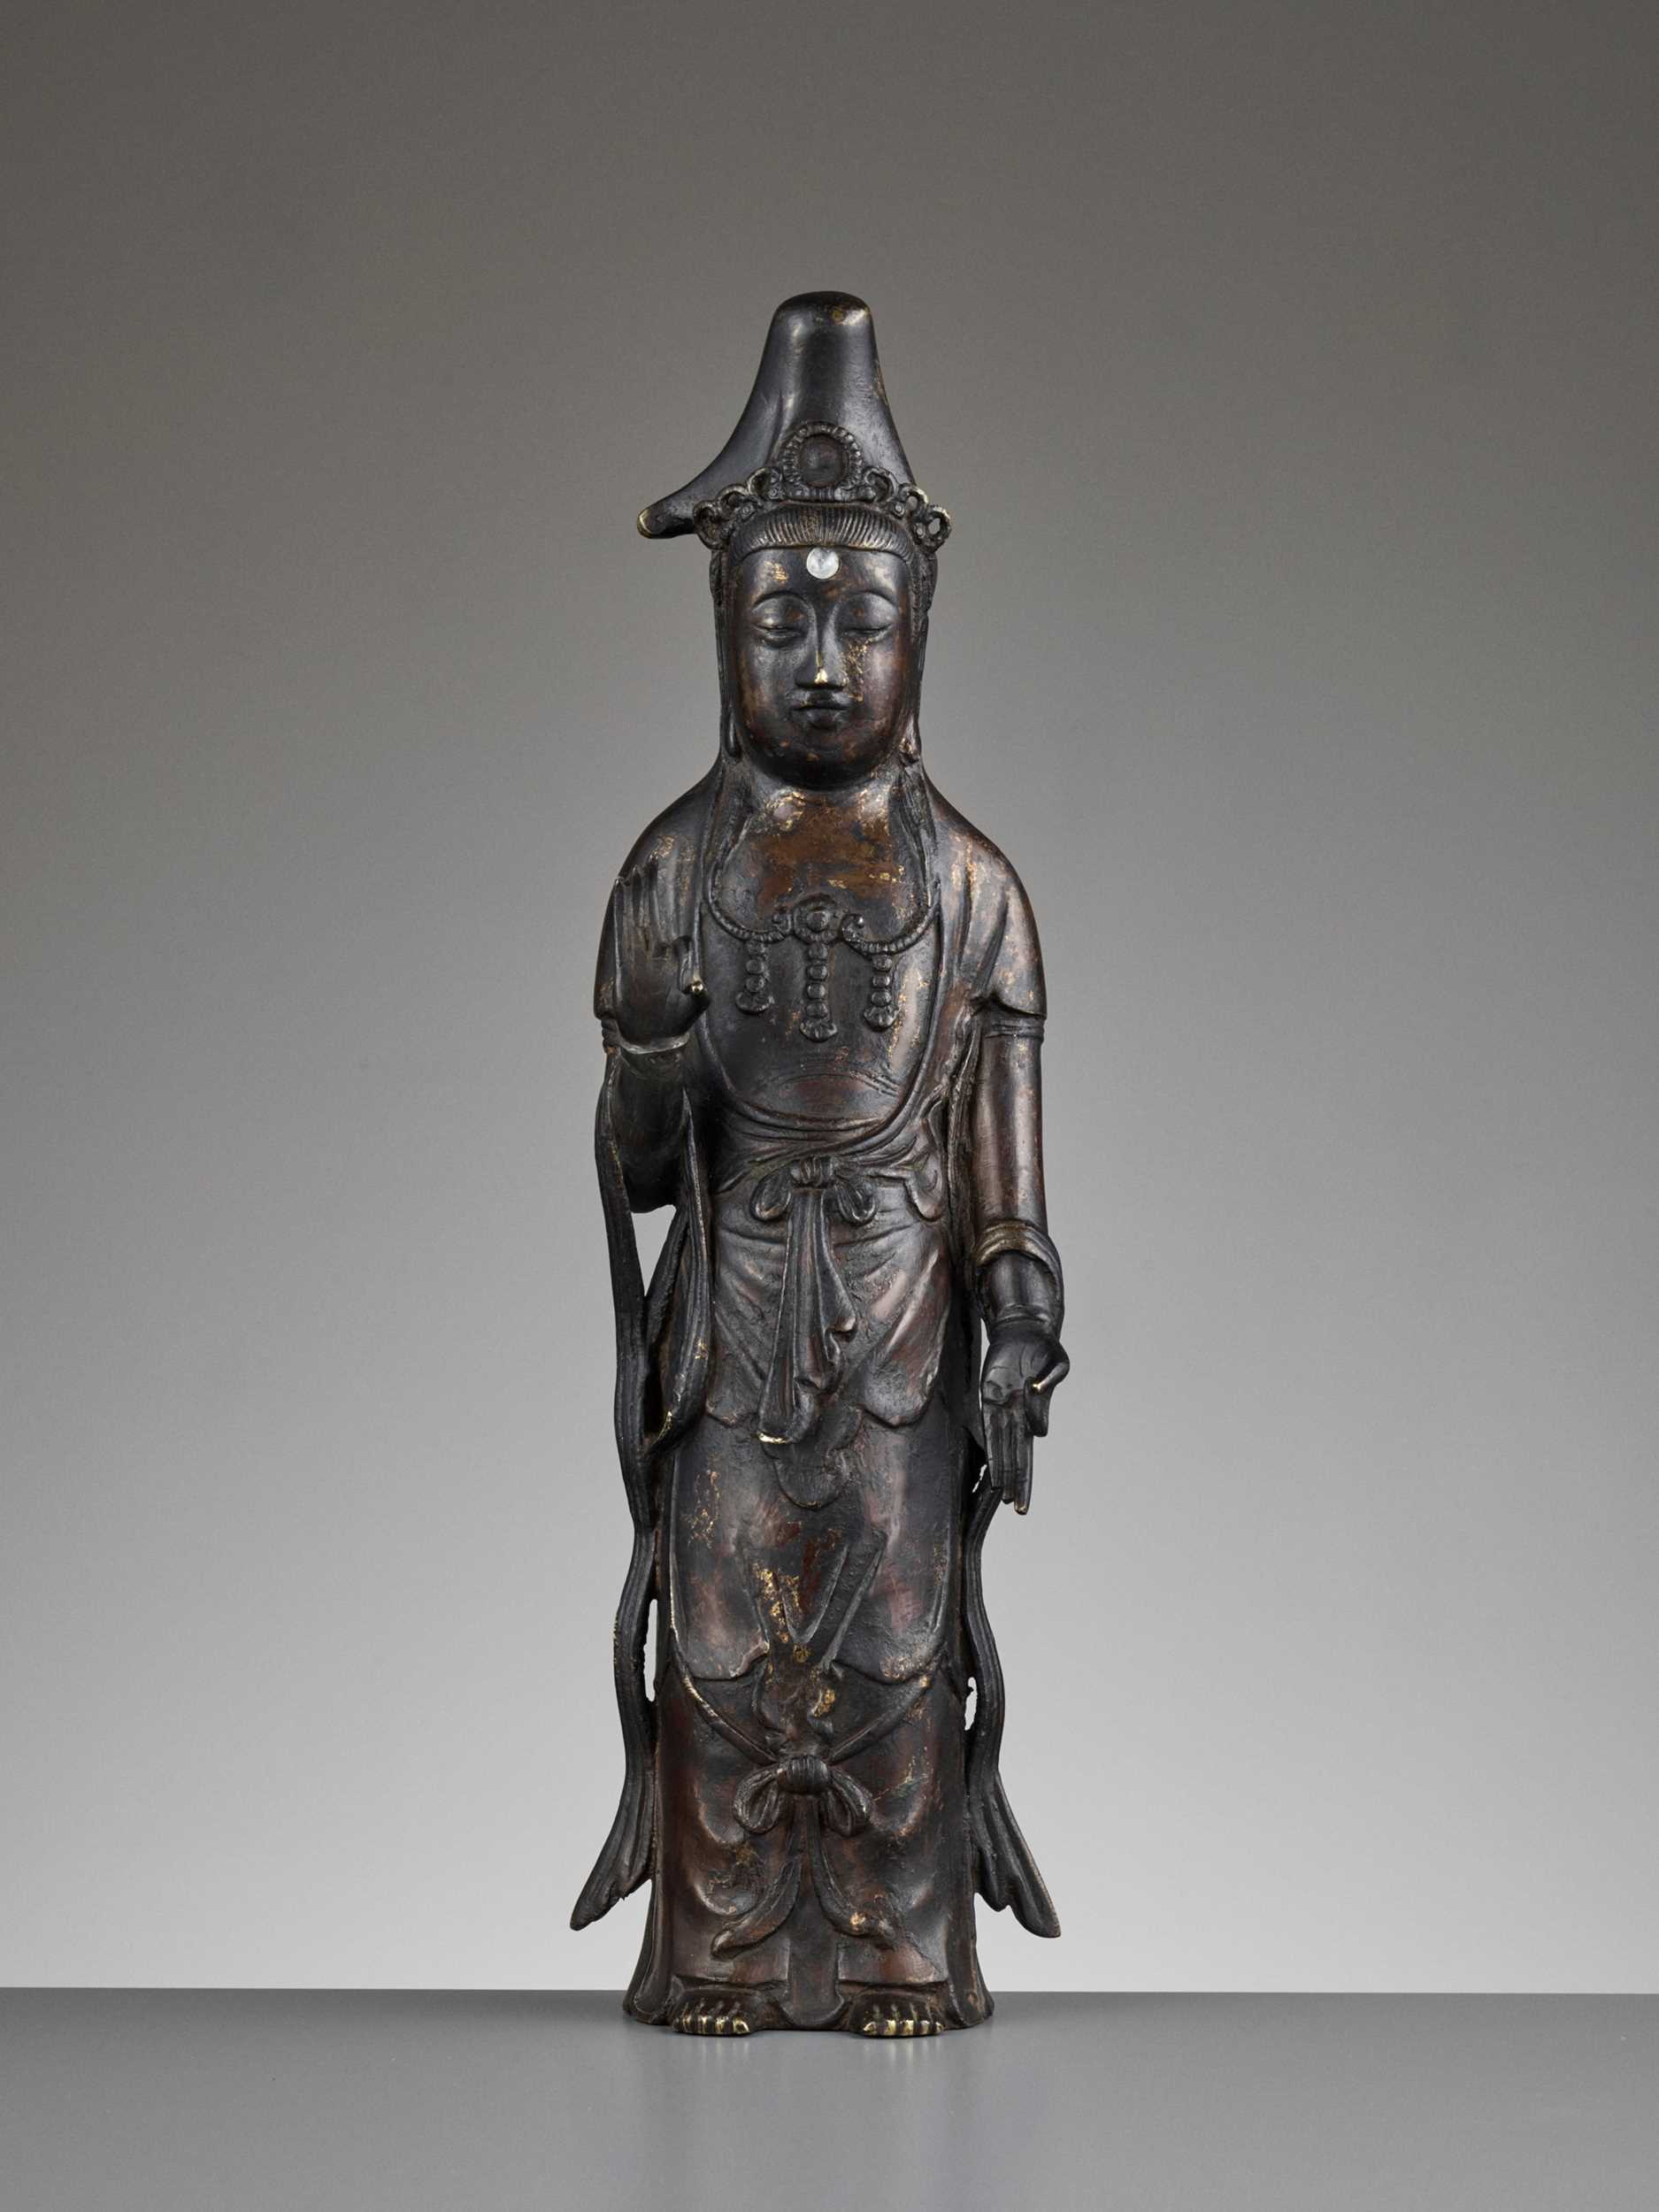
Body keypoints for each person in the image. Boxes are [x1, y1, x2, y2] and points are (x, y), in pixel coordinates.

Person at [572, 296, 1069, 2036]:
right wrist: (649, 1048)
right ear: (726, 632)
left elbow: (1004, 1177)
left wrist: (1022, 1318)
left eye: (862, 620)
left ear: (918, 630)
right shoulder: (672, 866)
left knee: (889, 1636)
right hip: (731, 1325)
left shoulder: (973, 889)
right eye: (781, 620)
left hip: (901, 1320)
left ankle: (894, 1946)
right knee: (723, 1626)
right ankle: (716, 1945)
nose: (823, 663)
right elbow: (644, 1170)